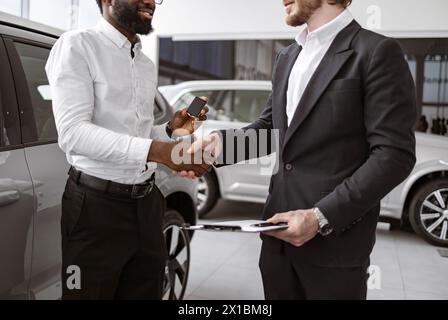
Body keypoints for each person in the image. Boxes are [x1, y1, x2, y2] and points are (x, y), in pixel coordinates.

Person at [190, 0, 416, 299]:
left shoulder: (376, 51)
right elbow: (273, 132)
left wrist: (319, 217)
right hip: (276, 238)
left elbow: (393, 155)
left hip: (335, 245)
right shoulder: (287, 55)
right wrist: (219, 146)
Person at [45, 0, 209, 300]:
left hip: (146, 205)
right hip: (94, 209)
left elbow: (140, 138)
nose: (150, 2)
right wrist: (157, 150)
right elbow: (72, 133)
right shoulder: (77, 46)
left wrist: (171, 129)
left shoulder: (145, 65)